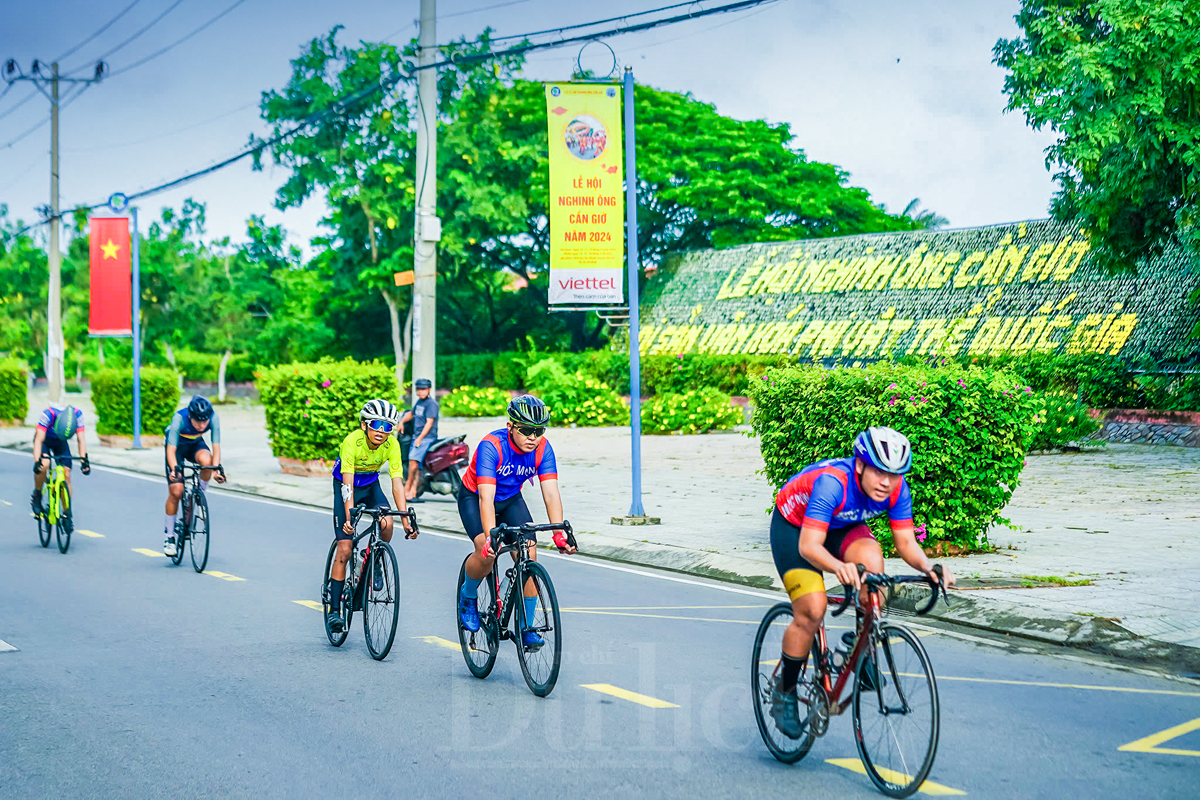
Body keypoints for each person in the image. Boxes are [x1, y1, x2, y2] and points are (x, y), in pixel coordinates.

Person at [767, 427, 955, 739]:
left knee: (873, 568)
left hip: (842, 525)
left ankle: (861, 648)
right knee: (813, 609)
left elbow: (905, 542)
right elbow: (809, 547)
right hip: (795, 529)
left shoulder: (896, 489)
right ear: (860, 466)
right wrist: (840, 568)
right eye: (880, 472)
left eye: (895, 475)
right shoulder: (832, 484)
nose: (887, 482)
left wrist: (928, 567)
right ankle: (784, 691)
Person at [456, 394, 576, 650]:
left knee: (529, 557)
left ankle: (527, 628)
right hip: (475, 497)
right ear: (510, 426)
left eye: (539, 430)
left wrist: (558, 535)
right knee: (486, 553)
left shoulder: (543, 448)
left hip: (510, 500)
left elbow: (551, 493)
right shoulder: (492, 446)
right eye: (526, 430)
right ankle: (468, 596)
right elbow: (486, 499)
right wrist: (490, 538)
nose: (533, 437)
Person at [327, 399, 415, 633]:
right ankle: (334, 611)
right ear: (365, 425)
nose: (382, 432)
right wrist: (348, 518)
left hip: (371, 485)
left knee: (387, 522)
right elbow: (347, 486)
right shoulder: (351, 442)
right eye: (377, 424)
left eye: (388, 427)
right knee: (345, 548)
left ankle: (373, 556)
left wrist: (405, 519)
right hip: (346, 486)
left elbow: (397, 484)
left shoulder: (392, 445)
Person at [163, 396, 226, 556]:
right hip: (176, 446)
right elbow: (170, 450)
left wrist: (216, 471)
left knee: (208, 461)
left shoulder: (213, 418)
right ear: (190, 416)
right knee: (176, 490)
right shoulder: (179, 419)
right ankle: (169, 537)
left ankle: (201, 494)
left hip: (195, 444)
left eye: (205, 421)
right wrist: (174, 470)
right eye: (198, 421)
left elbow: (216, 447)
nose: (202, 425)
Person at [31, 404, 90, 513]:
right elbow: (38, 440)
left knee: (66, 473)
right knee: (44, 464)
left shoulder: (78, 415)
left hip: (61, 441)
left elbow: (81, 440)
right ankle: (37, 495)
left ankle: (67, 512)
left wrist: (84, 461)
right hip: (45, 440)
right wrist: (37, 461)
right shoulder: (48, 414)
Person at [401, 378, 438, 501]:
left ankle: (407, 488)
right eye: (419, 389)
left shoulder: (431, 404)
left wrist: (420, 438)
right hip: (416, 437)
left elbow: (429, 423)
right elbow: (411, 414)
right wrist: (401, 422)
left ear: (429, 390)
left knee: (413, 462)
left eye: (424, 389)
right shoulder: (419, 402)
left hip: (426, 438)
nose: (421, 392)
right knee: (416, 466)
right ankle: (413, 493)